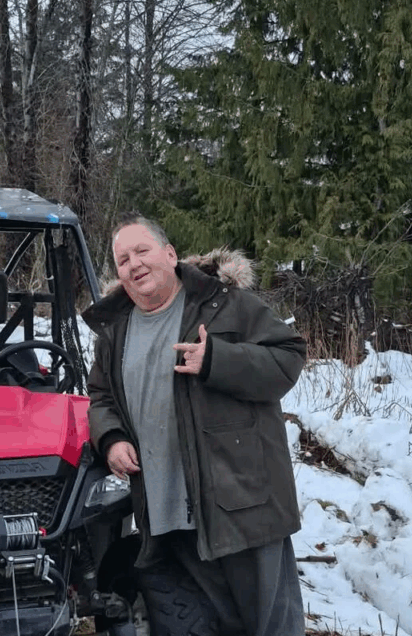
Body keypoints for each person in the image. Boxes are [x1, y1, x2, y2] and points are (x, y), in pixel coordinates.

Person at [81, 214, 308, 636]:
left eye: (142, 251)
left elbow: (289, 358)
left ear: (170, 254)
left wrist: (218, 360)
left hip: (241, 504)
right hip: (167, 508)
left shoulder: (223, 303)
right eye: (123, 259)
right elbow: (101, 396)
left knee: (267, 626)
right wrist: (110, 438)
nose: (134, 264)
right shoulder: (115, 330)